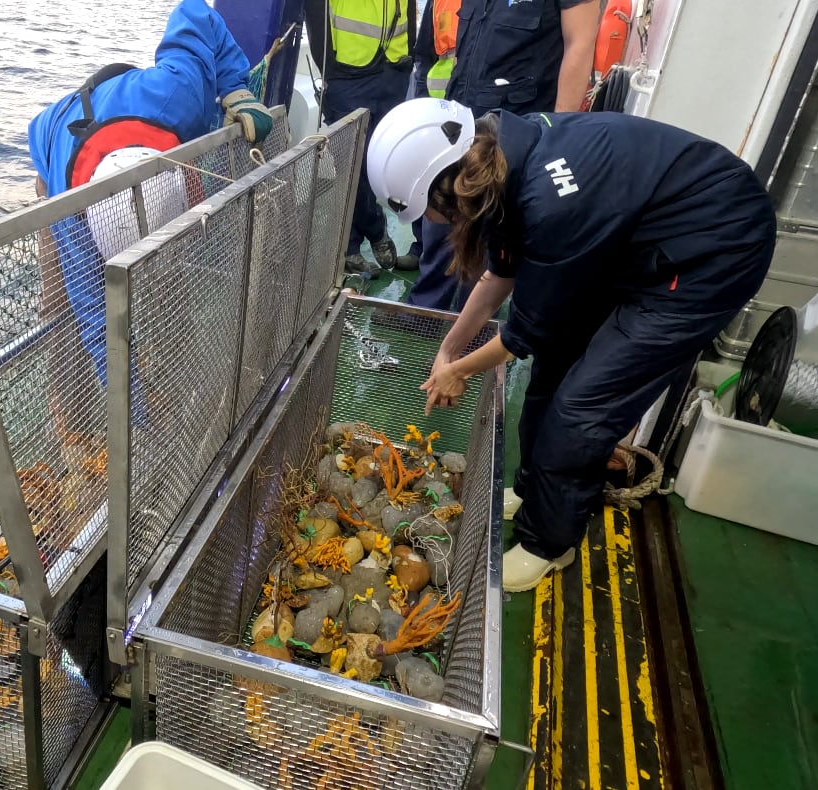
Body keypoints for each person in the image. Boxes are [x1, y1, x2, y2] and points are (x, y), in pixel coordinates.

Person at [366, 98, 775, 592]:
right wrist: (449, 348)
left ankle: (548, 544)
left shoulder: (549, 202)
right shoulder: (499, 165)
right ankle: (532, 491)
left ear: (448, 185)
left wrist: (459, 372)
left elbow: (520, 337)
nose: (431, 223)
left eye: (429, 211)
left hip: (711, 251)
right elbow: (501, 274)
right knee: (555, 366)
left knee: (582, 405)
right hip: (638, 238)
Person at [28, 0, 272, 402]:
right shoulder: (69, 211)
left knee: (169, 287)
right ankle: (76, 417)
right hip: (59, 152)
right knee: (70, 309)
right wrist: (136, 418)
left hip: (139, 117)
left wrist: (236, 88)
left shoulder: (178, 96)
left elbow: (195, 11)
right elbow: (96, 320)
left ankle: (176, 381)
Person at [406, 0, 600, 312]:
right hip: (462, 121)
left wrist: (559, 134)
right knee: (442, 219)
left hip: (514, 130)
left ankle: (470, 327)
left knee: (492, 236)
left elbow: (580, 42)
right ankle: (425, 310)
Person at [304, 0, 421, 279]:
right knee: (351, 165)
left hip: (394, 69)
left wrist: (406, 57)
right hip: (348, 73)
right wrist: (330, 68)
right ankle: (367, 236)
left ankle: (355, 246)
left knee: (380, 165)